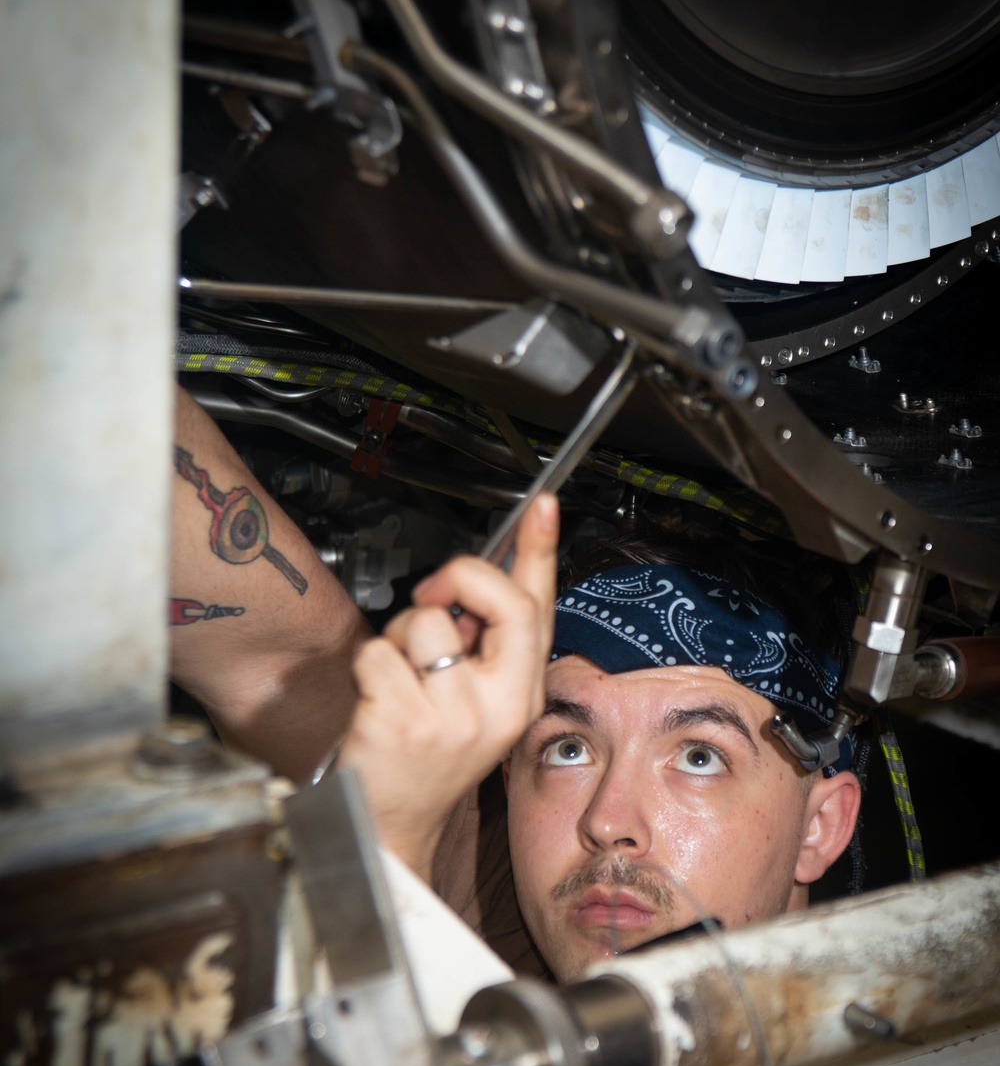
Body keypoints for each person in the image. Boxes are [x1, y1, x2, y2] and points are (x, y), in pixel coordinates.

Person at [172, 388, 861, 984]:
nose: (607, 822)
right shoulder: (497, 908)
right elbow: (277, 654)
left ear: (819, 826)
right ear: (507, 776)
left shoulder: (925, 1059)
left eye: (698, 756)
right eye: (567, 749)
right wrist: (388, 818)